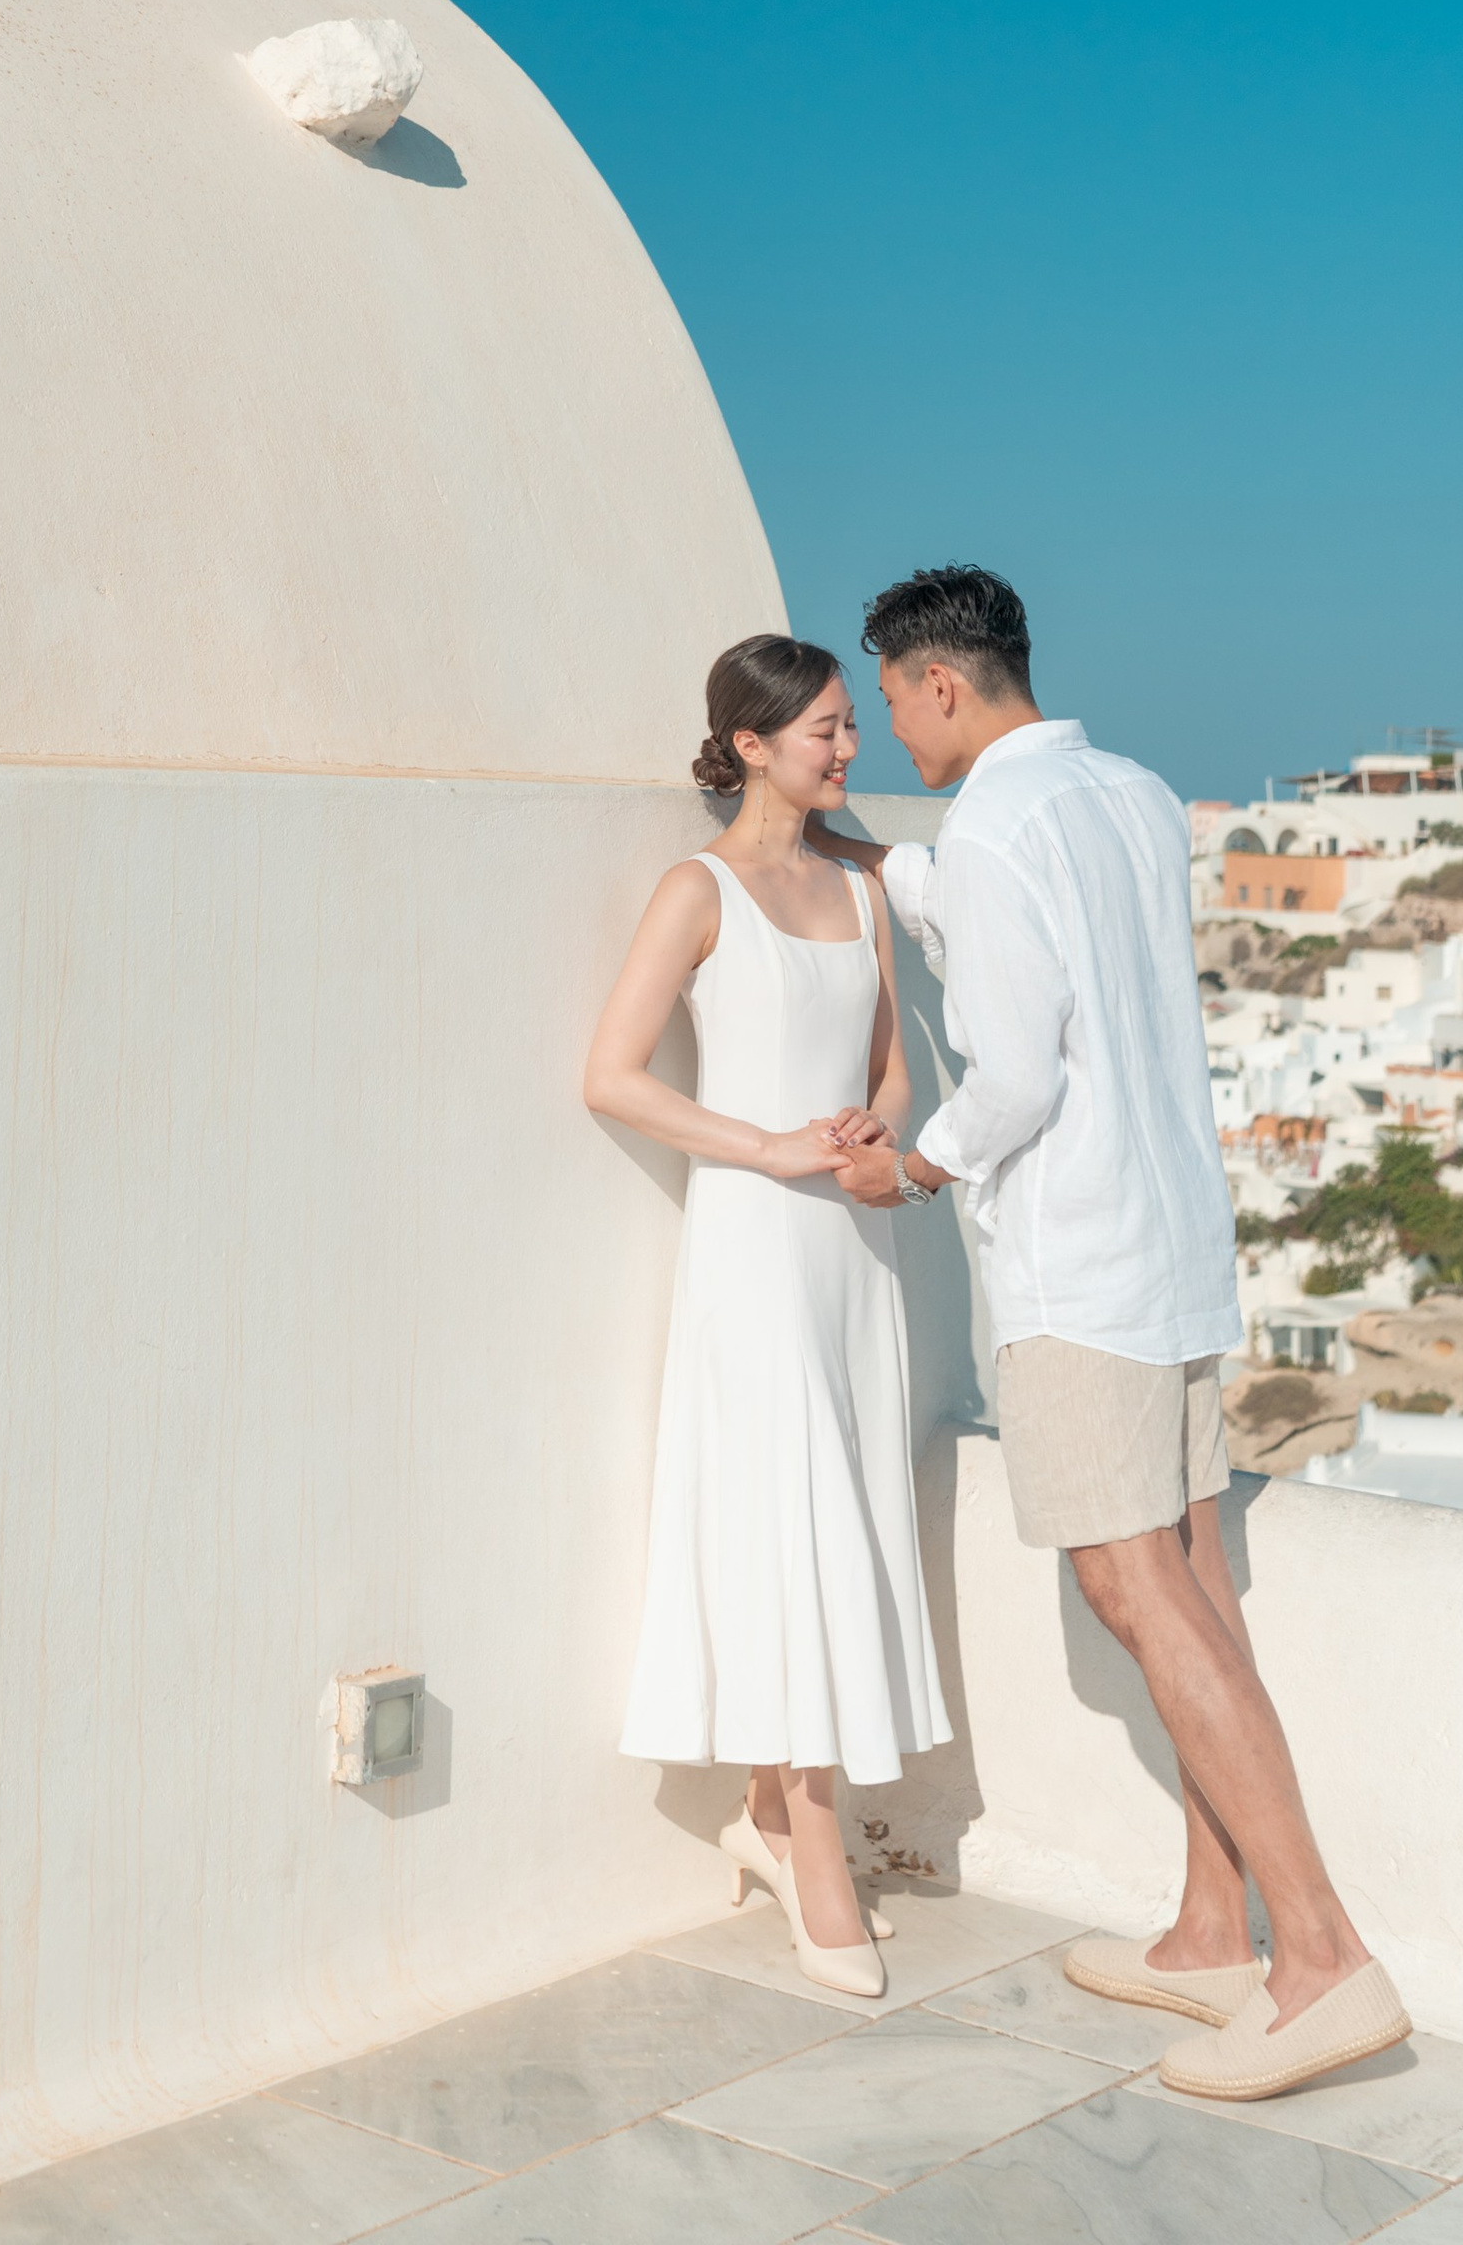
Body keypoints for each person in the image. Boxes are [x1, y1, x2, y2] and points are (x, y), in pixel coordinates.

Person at [826, 563, 1409, 2102]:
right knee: (1199, 1580)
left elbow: (1014, 1069)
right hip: (1177, 1253)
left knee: (1136, 1594)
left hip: (1078, 1272)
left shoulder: (996, 825)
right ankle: (1216, 1929)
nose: (883, 727)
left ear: (939, 683)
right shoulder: (1133, 793)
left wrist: (912, 1167)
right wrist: (880, 863)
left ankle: (1324, 1958)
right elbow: (1031, 926)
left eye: (888, 698)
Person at [585, 635, 948, 1996]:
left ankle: (769, 1812)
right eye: (823, 733)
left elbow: (897, 1070)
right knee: (778, 1517)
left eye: (853, 726)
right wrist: (771, 1149)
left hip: (852, 1242)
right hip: (753, 1240)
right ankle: (810, 1846)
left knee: (835, 1506)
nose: (849, 752)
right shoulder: (700, 890)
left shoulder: (862, 886)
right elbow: (613, 1077)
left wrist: (868, 1139)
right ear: (747, 743)